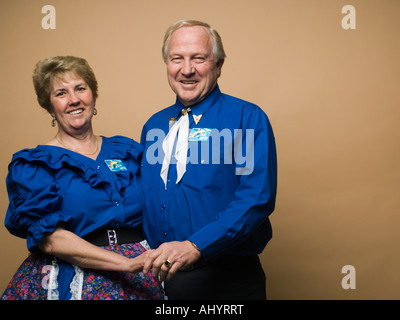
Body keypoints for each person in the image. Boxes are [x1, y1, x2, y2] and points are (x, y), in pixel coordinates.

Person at [1, 56, 163, 300]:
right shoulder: (35, 165)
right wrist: (127, 264)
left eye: (80, 88)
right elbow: (51, 240)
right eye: (61, 93)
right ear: (49, 105)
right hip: (74, 278)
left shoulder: (127, 151)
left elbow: (161, 207)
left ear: (93, 96)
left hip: (141, 274)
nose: (74, 99)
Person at [140, 20, 277, 299]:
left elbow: (256, 198)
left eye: (199, 58)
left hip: (227, 281)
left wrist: (195, 245)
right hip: (161, 280)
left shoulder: (247, 118)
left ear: (219, 65)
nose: (187, 69)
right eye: (176, 58)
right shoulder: (154, 126)